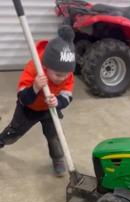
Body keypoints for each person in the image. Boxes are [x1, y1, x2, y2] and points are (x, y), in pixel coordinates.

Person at [0, 25, 76, 177]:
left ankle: (58, 158)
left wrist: (58, 102)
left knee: (55, 136)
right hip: (29, 109)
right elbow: (23, 98)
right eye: (58, 74)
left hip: (50, 110)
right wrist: (35, 87)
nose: (62, 78)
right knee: (14, 132)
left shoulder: (67, 74)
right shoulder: (33, 68)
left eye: (66, 74)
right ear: (46, 67)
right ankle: (1, 140)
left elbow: (67, 96)